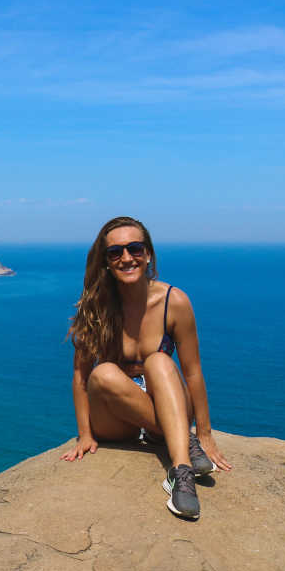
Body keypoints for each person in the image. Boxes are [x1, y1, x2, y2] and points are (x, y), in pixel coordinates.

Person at [62, 216, 232, 519]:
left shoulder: (174, 301)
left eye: (135, 248)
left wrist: (205, 433)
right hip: (117, 417)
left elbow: (192, 372)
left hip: (167, 400)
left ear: (148, 253)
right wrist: (84, 434)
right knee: (103, 373)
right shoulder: (97, 307)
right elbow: (80, 377)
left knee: (159, 360)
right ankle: (181, 438)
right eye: (115, 252)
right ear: (106, 262)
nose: (127, 258)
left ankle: (180, 474)